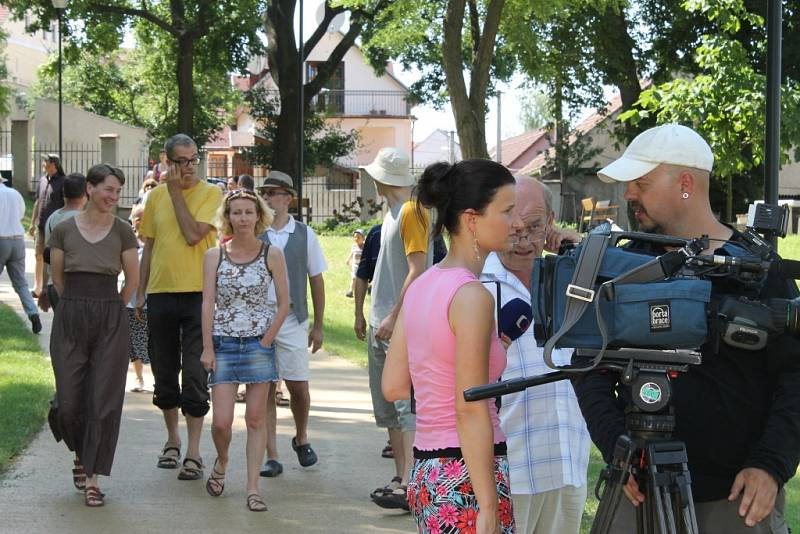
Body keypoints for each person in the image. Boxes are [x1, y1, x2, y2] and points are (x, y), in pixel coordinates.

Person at [574, 123, 800, 533]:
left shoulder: (760, 271)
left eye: (640, 183)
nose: (628, 194)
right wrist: (615, 448)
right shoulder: (619, 269)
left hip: (737, 496)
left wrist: (771, 465)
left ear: (685, 183)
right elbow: (586, 367)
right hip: (636, 489)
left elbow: (795, 379)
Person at [383, 159, 522, 533]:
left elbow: (393, 385)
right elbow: (470, 408)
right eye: (508, 211)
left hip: (429, 472)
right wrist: (489, 505)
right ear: (472, 219)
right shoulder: (472, 296)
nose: (518, 222)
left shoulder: (422, 286)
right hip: (468, 475)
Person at [481, 177, 589, 534]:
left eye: (534, 227)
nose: (524, 241)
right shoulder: (477, 286)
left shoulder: (574, 279)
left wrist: (582, 252)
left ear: (552, 222)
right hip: (510, 468)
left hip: (567, 462)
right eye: (514, 229)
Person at [48, 163, 139, 507]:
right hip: (71, 315)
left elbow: (132, 281)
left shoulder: (122, 231)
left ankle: (92, 477)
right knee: (69, 403)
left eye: (118, 191)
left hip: (110, 318)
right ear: (90, 188)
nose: (113, 197)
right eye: (108, 189)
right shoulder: (64, 230)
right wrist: (77, 305)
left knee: (103, 400)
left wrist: (110, 307)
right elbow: (58, 279)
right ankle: (79, 450)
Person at [136, 133, 223, 481]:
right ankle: (172, 440)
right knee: (164, 370)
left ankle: (193, 451)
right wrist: (139, 292)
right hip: (160, 293)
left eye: (192, 160)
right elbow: (150, 249)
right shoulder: (154, 198)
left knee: (196, 374)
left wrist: (173, 192)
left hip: (199, 295)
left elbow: (192, 234)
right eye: (181, 161)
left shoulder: (212, 194)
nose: (188, 167)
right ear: (167, 161)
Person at [200, 189, 290, 511]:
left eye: (248, 212)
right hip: (223, 344)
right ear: (227, 217)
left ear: (258, 216)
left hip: (257, 344)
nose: (242, 218)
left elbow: (284, 303)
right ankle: (222, 460)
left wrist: (267, 340)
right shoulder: (214, 255)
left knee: (255, 419)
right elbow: (207, 303)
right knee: (221, 422)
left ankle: (253, 488)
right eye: (235, 212)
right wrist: (207, 346)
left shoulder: (272, 254)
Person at [353, 147, 433, 509]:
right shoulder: (392, 214)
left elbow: (418, 270)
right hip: (381, 322)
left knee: (405, 405)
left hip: (400, 324)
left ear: (380, 179)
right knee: (389, 405)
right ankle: (402, 478)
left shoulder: (413, 212)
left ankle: (412, 481)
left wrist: (393, 316)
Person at [256, 170, 327, 478]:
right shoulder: (255, 234)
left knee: (298, 384)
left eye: (275, 192)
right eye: (266, 192)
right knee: (265, 385)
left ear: (288, 198)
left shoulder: (304, 234)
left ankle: (301, 437)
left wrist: (319, 325)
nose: (270, 197)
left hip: (293, 318)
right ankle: (271, 454)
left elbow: (317, 279)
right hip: (260, 317)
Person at [39, 173, 88, 313]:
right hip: (74, 287)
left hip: (52, 285)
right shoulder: (82, 220)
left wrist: (43, 287)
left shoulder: (52, 218)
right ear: (86, 193)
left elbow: (47, 257)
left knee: (63, 331)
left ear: (63, 192)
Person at [0, 175, 42, 333]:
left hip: (1, 239)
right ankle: (33, 313)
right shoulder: (15, 194)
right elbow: (20, 214)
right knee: (21, 283)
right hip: (17, 240)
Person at [29, 154, 66, 297]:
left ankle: (50, 286)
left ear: (54, 164)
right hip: (40, 225)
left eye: (46, 162)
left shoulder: (63, 182)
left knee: (52, 257)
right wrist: (32, 223)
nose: (43, 164)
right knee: (38, 255)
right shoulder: (43, 180)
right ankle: (37, 287)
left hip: (55, 227)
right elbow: (38, 202)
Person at [127, 206, 151, 393]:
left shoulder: (156, 244)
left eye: (144, 218)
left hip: (154, 300)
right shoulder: (128, 244)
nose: (140, 221)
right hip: (130, 300)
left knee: (154, 342)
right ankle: (138, 377)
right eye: (137, 218)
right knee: (134, 343)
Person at [345, 228, 365, 297]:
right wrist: (348, 259)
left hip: (362, 265)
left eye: (358, 237)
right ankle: (350, 291)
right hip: (355, 265)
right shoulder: (354, 246)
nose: (356, 238)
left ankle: (369, 287)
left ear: (363, 238)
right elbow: (352, 253)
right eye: (355, 237)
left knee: (364, 279)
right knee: (353, 278)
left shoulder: (365, 247)